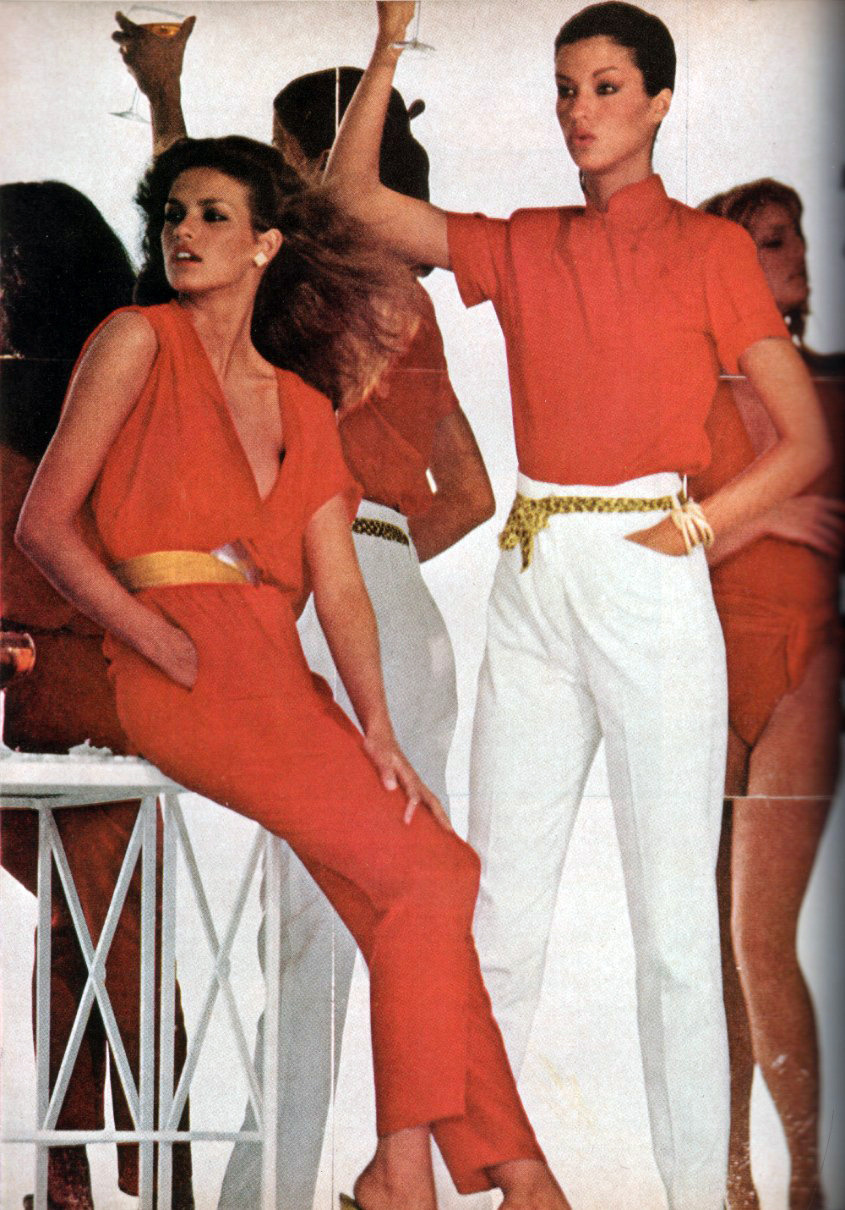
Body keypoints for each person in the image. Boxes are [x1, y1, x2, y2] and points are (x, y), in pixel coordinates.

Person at [324, 4, 832, 1207]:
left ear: (658, 103)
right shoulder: (522, 241)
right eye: (564, 88)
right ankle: (467, 1180)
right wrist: (390, 41)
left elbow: (803, 439)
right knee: (497, 911)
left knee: (672, 933)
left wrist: (694, 526)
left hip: (646, 568)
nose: (578, 111)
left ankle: (694, 1195)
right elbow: (349, 203)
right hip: (533, 568)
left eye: (605, 87)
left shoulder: (709, 249)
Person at [15, 135, 571, 1210]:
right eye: (172, 214)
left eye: (212, 215)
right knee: (433, 876)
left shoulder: (305, 404)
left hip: (278, 671)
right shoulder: (136, 340)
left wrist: (378, 728)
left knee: (406, 891)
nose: (183, 232)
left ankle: (514, 1174)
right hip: (179, 669)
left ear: (266, 244)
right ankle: (408, 1170)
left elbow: (343, 589)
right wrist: (150, 634)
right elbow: (46, 523)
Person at [109, 24, 496, 1204]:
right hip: (394, 605)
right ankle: (402, 1177)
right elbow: (467, 494)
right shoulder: (406, 302)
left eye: (278, 166)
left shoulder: (316, 299)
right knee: (389, 909)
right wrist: (371, 561)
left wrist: (165, 98)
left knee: (325, 924)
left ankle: (276, 1193)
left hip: (330, 603)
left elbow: (199, 268)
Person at [0, 180, 194, 1210]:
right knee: (111, 937)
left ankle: (94, 1179)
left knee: (97, 937)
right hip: (82, 706)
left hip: (71, 706)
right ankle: (135, 1178)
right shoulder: (119, 389)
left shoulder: (92, 394)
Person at [690, 178, 843, 1210]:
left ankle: (810, 1186)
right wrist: (768, 517)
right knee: (713, 950)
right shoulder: (678, 391)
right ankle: (733, 1183)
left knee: (757, 937)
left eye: (786, 240)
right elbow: (637, 546)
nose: (786, 258)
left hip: (806, 663)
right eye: (759, 244)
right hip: (702, 664)